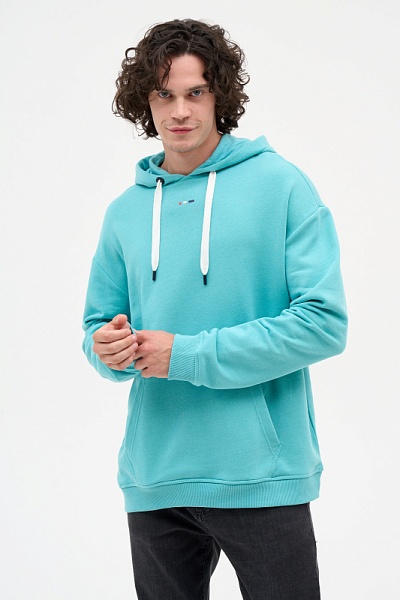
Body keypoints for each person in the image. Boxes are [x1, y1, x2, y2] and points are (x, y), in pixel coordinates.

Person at [82, 18, 347, 600]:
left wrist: (186, 355)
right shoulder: (125, 212)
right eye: (164, 94)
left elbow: (323, 324)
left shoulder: (280, 185)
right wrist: (108, 349)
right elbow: (98, 328)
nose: (179, 111)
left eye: (195, 92)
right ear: (144, 101)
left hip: (262, 477)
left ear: (219, 94)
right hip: (155, 479)